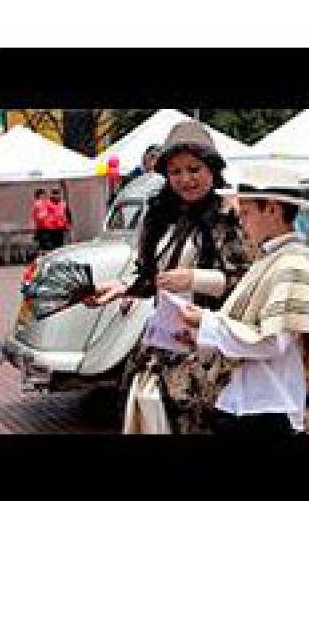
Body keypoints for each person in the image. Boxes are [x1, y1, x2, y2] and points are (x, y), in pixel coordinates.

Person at [82, 121, 251, 433]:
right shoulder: (160, 216)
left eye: (194, 169)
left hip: (209, 345)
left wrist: (195, 279)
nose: (185, 179)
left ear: (212, 170)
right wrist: (121, 289)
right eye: (176, 172)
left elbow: (245, 283)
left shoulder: (229, 217)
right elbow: (154, 279)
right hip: (162, 341)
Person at [171, 162, 309, 437]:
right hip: (246, 404)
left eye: (246, 213)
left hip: (268, 408)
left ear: (273, 210)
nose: (241, 222)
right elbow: (248, 328)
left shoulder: (291, 265)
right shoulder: (269, 259)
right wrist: (200, 336)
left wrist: (206, 322)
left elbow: (271, 341)